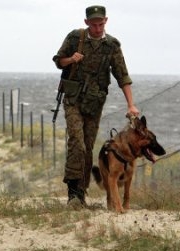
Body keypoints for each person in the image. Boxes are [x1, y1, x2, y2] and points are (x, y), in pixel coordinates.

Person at [52, 5, 139, 208]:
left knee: (88, 148)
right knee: (77, 143)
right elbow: (58, 61)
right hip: (73, 100)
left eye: (101, 24)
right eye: (94, 24)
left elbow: (122, 76)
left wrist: (131, 104)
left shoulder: (112, 46)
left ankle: (81, 192)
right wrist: (70, 59)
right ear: (86, 23)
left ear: (106, 21)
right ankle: (73, 193)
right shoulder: (75, 38)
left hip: (94, 103)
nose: (98, 28)